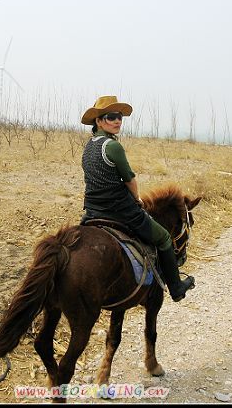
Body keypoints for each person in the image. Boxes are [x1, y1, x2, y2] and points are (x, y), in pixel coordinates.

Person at [80, 95, 195, 302]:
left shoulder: (89, 147)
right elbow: (129, 179)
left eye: (120, 117)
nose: (117, 121)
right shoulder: (113, 146)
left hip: (93, 211)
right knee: (164, 238)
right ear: (98, 121)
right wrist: (138, 199)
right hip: (120, 210)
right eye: (111, 117)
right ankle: (176, 288)